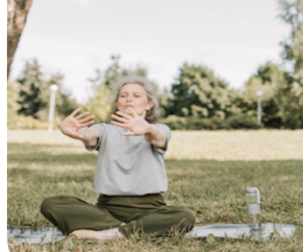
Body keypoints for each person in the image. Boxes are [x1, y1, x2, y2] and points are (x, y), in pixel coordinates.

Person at [40, 76, 196, 241]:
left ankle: (109, 234)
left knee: (185, 216)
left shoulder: (158, 129)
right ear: (117, 103)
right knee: (51, 204)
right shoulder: (104, 129)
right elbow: (90, 135)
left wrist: (148, 129)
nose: (129, 98)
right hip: (107, 209)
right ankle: (131, 231)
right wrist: (76, 132)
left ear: (149, 104)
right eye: (123, 95)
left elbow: (158, 138)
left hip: (151, 208)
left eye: (136, 95)